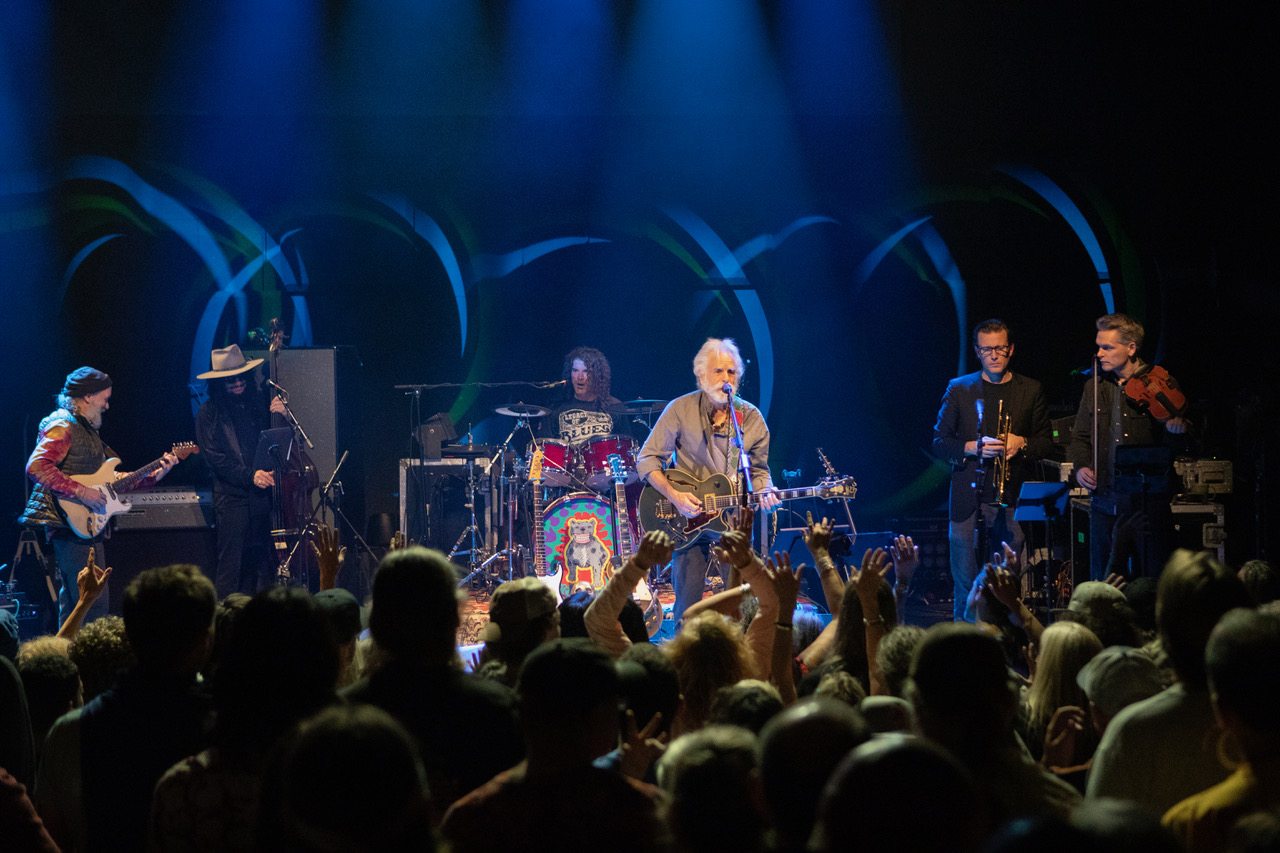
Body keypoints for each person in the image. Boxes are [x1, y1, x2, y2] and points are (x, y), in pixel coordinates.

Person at [636, 337, 780, 626]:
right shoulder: (680, 409)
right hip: (686, 519)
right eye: (718, 371)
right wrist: (674, 495)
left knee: (742, 605)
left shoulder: (750, 418)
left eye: (731, 372)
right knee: (687, 610)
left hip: (731, 519)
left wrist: (765, 489)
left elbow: (760, 471)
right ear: (701, 375)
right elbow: (647, 459)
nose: (726, 379)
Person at [19, 367, 178, 626]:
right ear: (88, 396)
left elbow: (107, 483)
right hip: (70, 526)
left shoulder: (86, 429)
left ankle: (68, 659)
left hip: (85, 526)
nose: (107, 405)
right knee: (92, 605)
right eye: (104, 399)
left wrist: (155, 475)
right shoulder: (63, 424)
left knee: (77, 605)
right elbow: (36, 467)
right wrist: (82, 492)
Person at [932, 319, 1053, 622]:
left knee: (1008, 581)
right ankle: (965, 644)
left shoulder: (1031, 389)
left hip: (1012, 498)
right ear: (977, 351)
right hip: (967, 500)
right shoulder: (959, 388)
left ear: (1011, 349)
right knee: (965, 581)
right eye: (987, 349)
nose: (994, 355)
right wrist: (973, 447)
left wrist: (1021, 442)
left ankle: (1008, 645)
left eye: (1000, 348)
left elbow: (1045, 442)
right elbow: (939, 442)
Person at [1069, 313, 1189, 579]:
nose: (1099, 353)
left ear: (1131, 348)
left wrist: (1175, 431)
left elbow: (1175, 446)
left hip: (1147, 506)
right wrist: (1081, 467)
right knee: (1105, 582)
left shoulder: (1160, 385)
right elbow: (1079, 437)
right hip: (1105, 504)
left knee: (1151, 580)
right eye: (1099, 345)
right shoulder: (1094, 387)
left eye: (1108, 347)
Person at [194, 345, 288, 599]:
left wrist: (283, 415)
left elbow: (279, 443)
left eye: (239, 377)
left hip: (262, 497)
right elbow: (216, 460)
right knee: (230, 568)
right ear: (219, 383)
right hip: (232, 498)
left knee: (261, 564)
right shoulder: (209, 413)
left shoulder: (259, 405)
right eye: (229, 380)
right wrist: (250, 475)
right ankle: (223, 624)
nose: (236, 383)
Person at [544, 346, 630, 447]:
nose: (580, 377)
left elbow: (627, 447)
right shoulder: (556, 407)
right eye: (575, 370)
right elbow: (544, 449)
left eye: (586, 371)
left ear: (597, 376)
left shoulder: (615, 406)